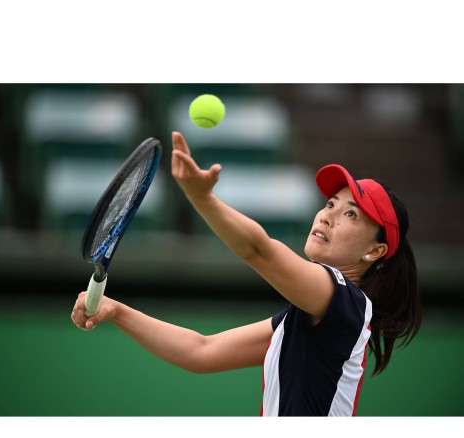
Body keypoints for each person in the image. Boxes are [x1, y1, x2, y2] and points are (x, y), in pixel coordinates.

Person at [71, 131, 422, 416]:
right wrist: (116, 311)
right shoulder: (305, 317)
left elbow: (258, 250)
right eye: (331, 204)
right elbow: (201, 351)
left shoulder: (344, 302)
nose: (327, 216)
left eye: (351, 214)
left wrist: (203, 199)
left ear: (374, 251)